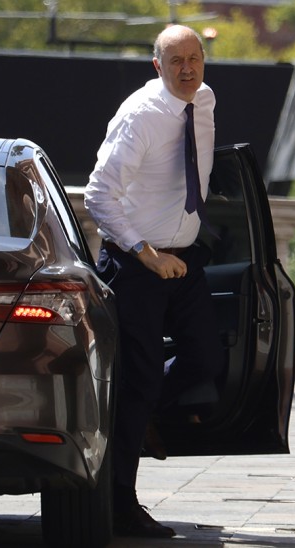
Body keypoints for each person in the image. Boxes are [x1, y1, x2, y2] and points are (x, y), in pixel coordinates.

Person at [84, 24, 225, 539]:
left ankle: (141, 416)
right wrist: (146, 253)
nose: (187, 70)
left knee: (207, 359)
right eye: (175, 61)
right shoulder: (141, 116)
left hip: (182, 261)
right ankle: (121, 502)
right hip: (135, 263)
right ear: (157, 66)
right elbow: (98, 195)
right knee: (138, 380)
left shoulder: (204, 101)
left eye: (194, 58)